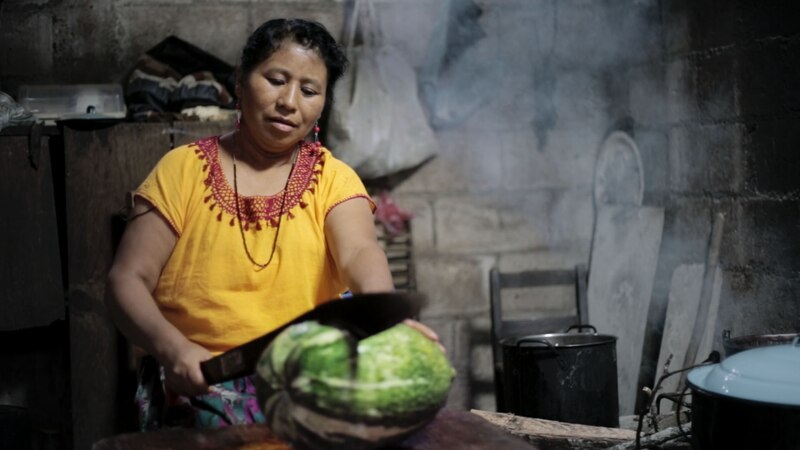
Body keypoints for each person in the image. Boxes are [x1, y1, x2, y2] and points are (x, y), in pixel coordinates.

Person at [106, 18, 440, 430]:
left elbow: (358, 251)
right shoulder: (181, 170)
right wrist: (173, 349)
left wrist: (384, 319)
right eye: (276, 79)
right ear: (241, 83)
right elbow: (127, 278)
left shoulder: (334, 179)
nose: (289, 101)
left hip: (307, 383)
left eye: (309, 90)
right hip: (198, 382)